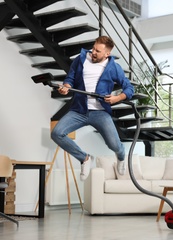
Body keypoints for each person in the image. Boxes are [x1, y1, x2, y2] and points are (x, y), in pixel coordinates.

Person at [51, 36, 134, 181]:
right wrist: (66, 88)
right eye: (93, 48)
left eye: (98, 51)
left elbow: (129, 88)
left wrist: (117, 98)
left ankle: (121, 156)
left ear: (107, 54)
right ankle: (84, 158)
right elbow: (70, 79)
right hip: (79, 110)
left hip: (100, 112)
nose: (93, 52)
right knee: (57, 133)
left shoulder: (113, 67)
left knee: (113, 144)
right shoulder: (81, 59)